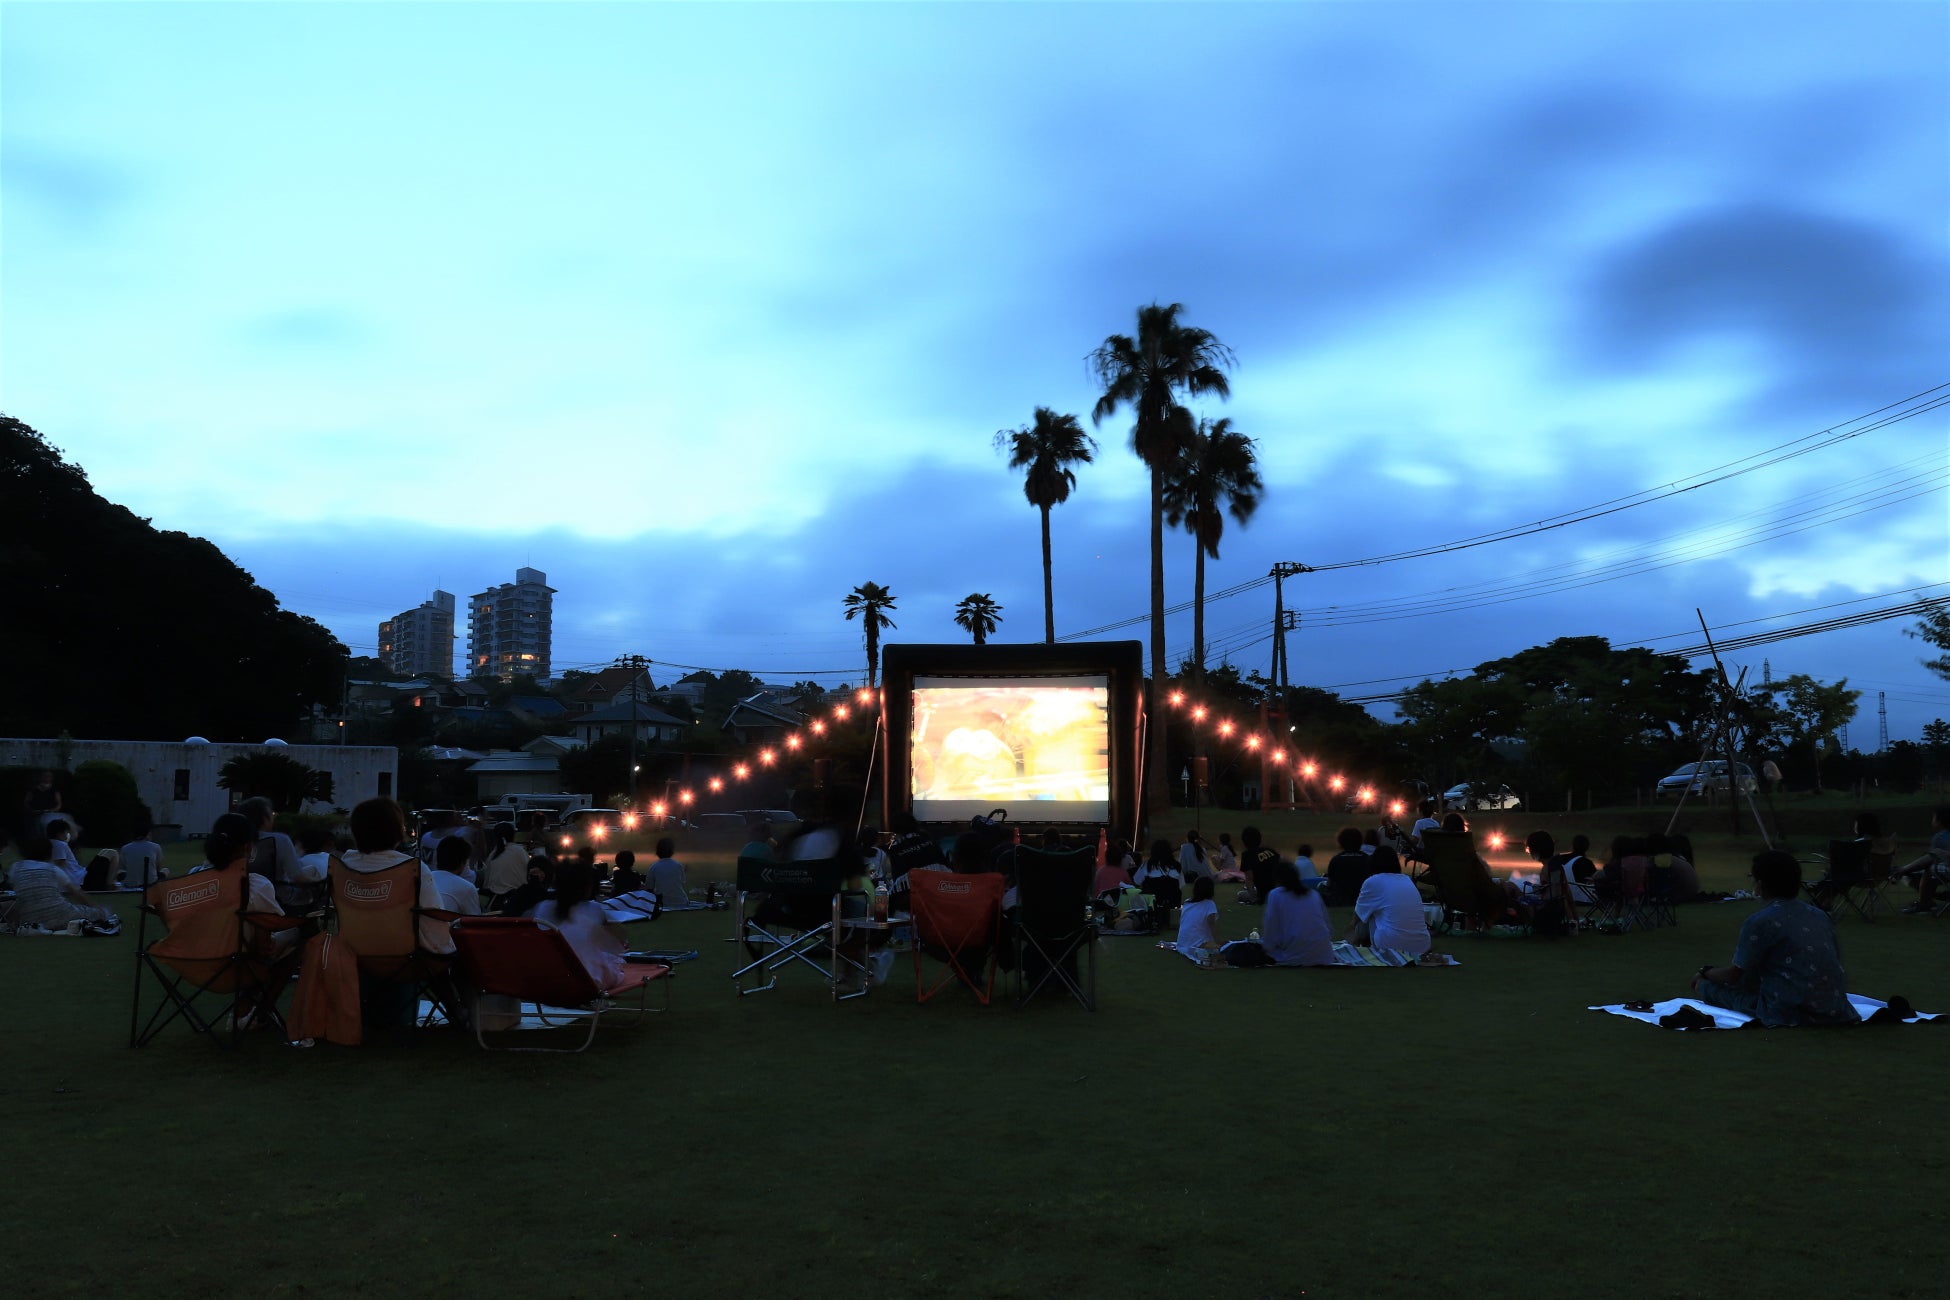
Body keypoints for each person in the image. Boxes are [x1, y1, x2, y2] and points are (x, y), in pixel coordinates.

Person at [1692, 850, 1859, 1026]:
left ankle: (1701, 985)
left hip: (1787, 1010)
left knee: (1706, 987)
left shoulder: (1760, 922)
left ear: (1761, 884)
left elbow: (1734, 975)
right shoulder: (1820, 916)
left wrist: (1705, 972)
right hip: (1833, 1007)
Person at [529, 856, 628, 991]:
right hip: (585, 983)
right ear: (587, 887)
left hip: (549, 980)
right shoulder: (593, 910)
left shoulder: (542, 908)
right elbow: (616, 947)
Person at [1224, 862, 1335, 967]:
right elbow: (1328, 926)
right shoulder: (1312, 894)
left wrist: (1265, 947)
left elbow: (1271, 930)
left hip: (1296, 955)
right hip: (1324, 953)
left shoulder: (1277, 894)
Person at [6, 831, 120, 933]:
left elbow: (16, 895)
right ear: (48, 853)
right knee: (101, 912)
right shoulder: (51, 869)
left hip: (29, 918)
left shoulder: (16, 867)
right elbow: (76, 894)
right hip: (60, 914)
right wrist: (95, 907)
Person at [1347, 850, 1431, 955]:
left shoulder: (1373, 881)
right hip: (1422, 945)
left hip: (1390, 945)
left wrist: (1349, 935)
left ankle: (1357, 947)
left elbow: (1358, 917)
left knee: (1366, 913)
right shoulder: (1407, 879)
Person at [1894, 807, 1950, 914]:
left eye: (1933, 818)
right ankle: (1932, 899)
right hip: (1944, 868)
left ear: (1939, 822)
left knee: (1928, 869)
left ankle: (1925, 903)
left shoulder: (1940, 836)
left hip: (1944, 868)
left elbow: (1931, 858)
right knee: (1928, 868)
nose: (1932, 820)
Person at [429, 836, 485, 919]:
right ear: (463, 862)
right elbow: (475, 922)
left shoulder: (424, 878)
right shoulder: (466, 888)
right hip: (449, 930)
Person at [1324, 826, 1377, 908]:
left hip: (1341, 901)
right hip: (1364, 900)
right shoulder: (1368, 859)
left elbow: (1330, 884)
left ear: (1341, 842)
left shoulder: (1336, 860)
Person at [479, 822, 528, 901]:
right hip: (517, 898)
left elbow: (486, 881)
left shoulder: (493, 855)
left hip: (494, 898)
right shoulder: (520, 851)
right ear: (513, 835)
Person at [1176, 875, 1222, 958]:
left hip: (1181, 944)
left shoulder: (1187, 903)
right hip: (1197, 945)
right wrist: (1218, 942)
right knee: (1223, 948)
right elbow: (1211, 923)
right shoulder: (1209, 904)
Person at [1133, 839, 1184, 912]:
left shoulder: (1147, 866)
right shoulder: (1177, 867)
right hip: (1172, 905)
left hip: (1150, 907)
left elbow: (1136, 882)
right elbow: (1181, 885)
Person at [1239, 825, 1281, 903]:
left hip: (1265, 894)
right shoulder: (1269, 850)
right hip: (1280, 890)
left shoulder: (1247, 855)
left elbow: (1249, 878)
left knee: (1241, 895)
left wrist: (1253, 899)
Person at [118, 824, 165, 888]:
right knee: (165, 870)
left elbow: (124, 867)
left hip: (130, 884)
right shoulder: (156, 846)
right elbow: (158, 867)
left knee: (120, 872)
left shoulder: (125, 848)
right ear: (147, 834)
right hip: (151, 883)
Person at [647, 838, 688, 909]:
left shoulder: (654, 867)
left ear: (658, 851)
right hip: (681, 902)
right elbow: (682, 882)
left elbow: (649, 887)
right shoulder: (678, 865)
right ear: (672, 851)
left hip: (662, 903)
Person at [44, 819, 84, 888]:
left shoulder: (49, 843)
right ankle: (108, 887)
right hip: (79, 877)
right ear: (59, 833)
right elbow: (60, 864)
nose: (68, 834)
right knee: (108, 853)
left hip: (78, 875)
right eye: (66, 831)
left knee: (106, 852)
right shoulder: (60, 844)